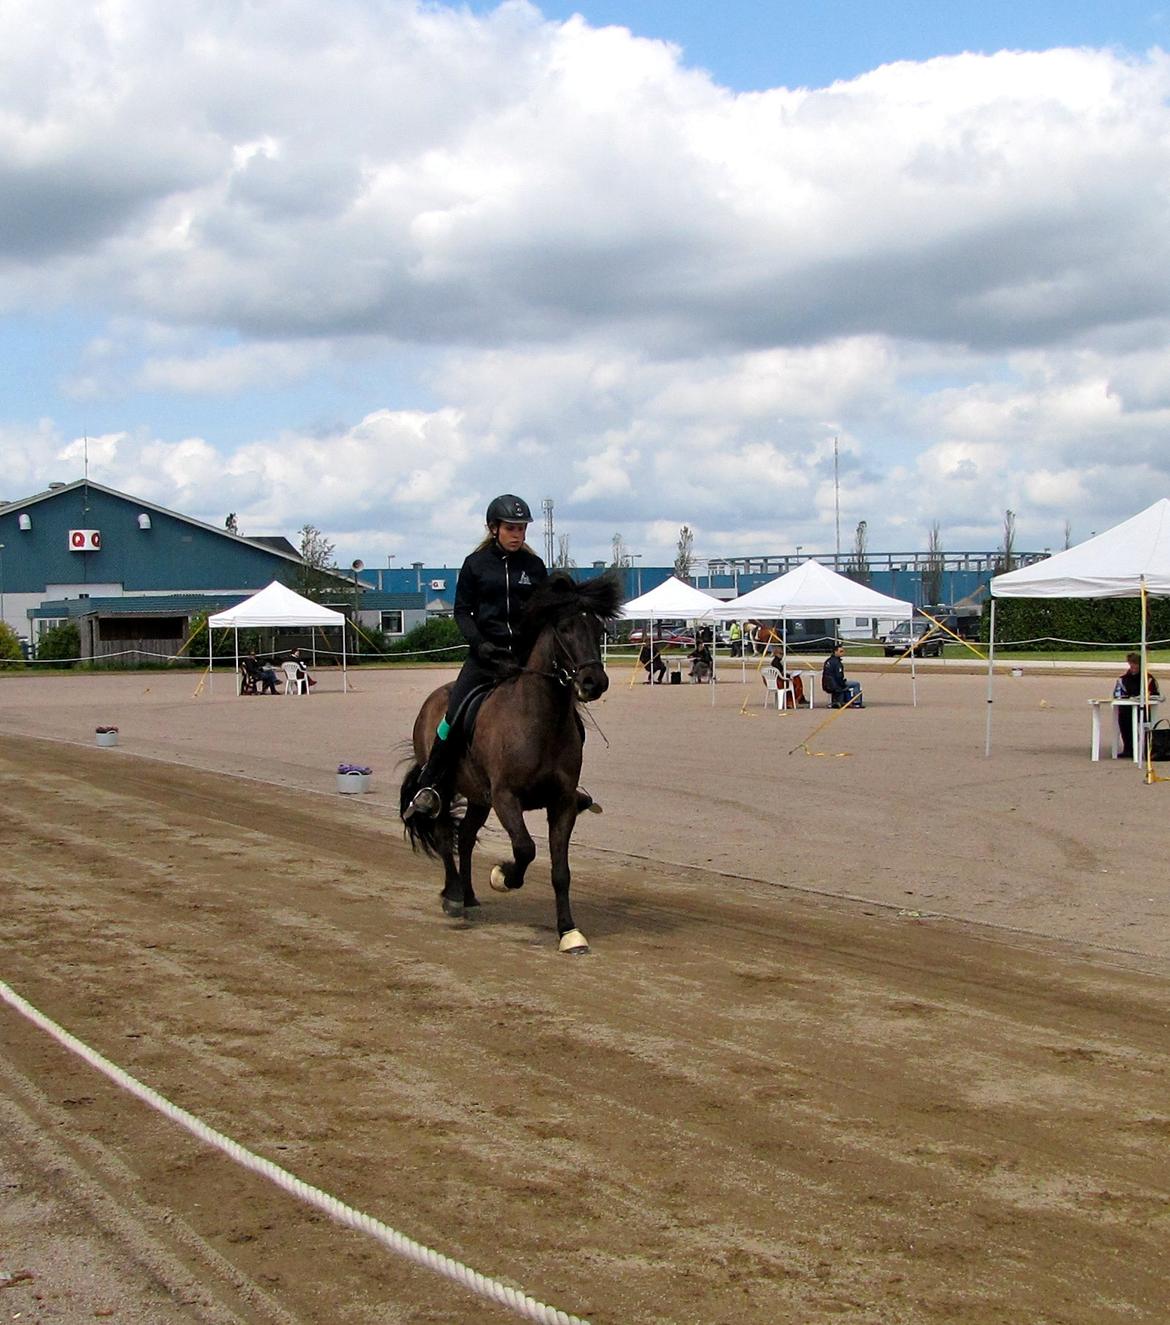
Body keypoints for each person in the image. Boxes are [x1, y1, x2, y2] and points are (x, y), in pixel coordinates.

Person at [405, 495, 600, 820]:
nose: (517, 535)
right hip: (485, 657)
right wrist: (480, 644)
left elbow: (549, 610)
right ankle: (431, 784)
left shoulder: (534, 567)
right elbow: (462, 612)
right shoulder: (475, 564)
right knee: (452, 716)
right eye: (511, 528)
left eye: (522, 529)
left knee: (570, 716)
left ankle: (566, 783)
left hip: (526, 658)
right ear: (494, 528)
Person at [1114, 652, 1160, 758]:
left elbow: (1155, 694)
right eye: (1131, 664)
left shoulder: (1148, 679)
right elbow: (1118, 694)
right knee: (1123, 718)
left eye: (1135, 664)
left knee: (1147, 722)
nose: (1133, 667)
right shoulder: (1123, 679)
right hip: (1127, 709)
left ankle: (1148, 749)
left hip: (1144, 709)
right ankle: (1129, 748)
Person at [821, 642, 864, 709]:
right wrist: (843, 684)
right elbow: (839, 677)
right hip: (835, 685)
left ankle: (839, 700)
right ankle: (856, 702)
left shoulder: (828, 661)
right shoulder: (838, 663)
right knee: (856, 684)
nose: (843, 653)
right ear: (835, 652)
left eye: (843, 651)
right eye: (840, 651)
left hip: (826, 684)